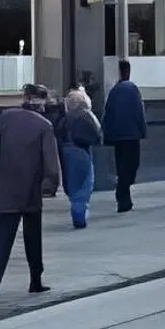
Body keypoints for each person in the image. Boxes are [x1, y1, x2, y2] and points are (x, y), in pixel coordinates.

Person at [0, 84, 60, 307]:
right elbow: (51, 164)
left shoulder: (5, 118)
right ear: (41, 102)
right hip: (31, 190)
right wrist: (50, 185)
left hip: (7, 189)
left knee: (1, 241)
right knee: (33, 237)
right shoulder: (44, 126)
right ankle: (36, 280)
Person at [102, 58, 148, 213]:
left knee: (122, 166)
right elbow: (139, 113)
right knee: (131, 166)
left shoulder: (114, 92)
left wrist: (107, 134)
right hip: (131, 135)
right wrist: (143, 130)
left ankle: (124, 197)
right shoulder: (132, 89)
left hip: (118, 136)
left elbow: (107, 114)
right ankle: (123, 193)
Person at [59, 88, 102, 229]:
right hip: (82, 151)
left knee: (73, 184)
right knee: (84, 185)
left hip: (66, 151)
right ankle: (79, 217)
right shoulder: (86, 116)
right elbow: (97, 134)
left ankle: (77, 214)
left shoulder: (65, 118)